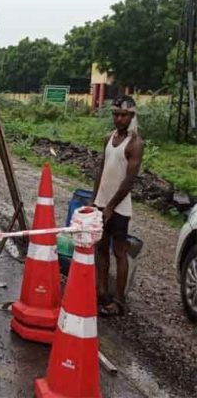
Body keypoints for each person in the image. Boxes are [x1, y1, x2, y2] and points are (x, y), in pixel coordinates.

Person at [91, 95, 144, 317]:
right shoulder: (108, 139)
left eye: (122, 115)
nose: (118, 119)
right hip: (102, 203)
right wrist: (95, 201)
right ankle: (102, 291)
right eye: (115, 115)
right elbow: (101, 170)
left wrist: (111, 205)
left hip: (120, 208)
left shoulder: (135, 144)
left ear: (131, 116)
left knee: (119, 252)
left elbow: (129, 181)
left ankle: (119, 301)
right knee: (100, 248)